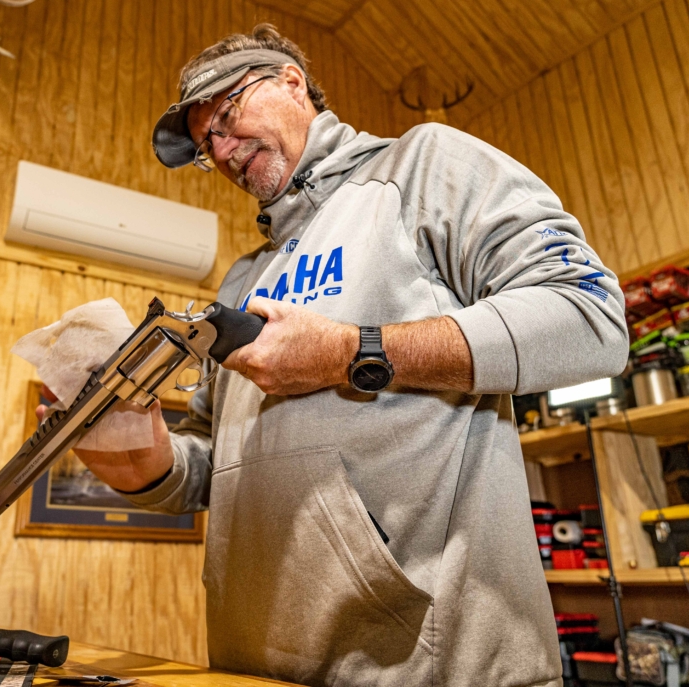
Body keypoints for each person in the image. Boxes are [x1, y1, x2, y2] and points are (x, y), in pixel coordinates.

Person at [40, 24, 629, 687]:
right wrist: (138, 455)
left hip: (432, 664)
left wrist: (351, 352)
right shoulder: (241, 280)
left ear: (293, 81)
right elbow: (210, 468)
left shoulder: (423, 166)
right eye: (208, 144)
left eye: (227, 117)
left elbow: (590, 317)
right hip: (252, 663)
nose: (224, 150)